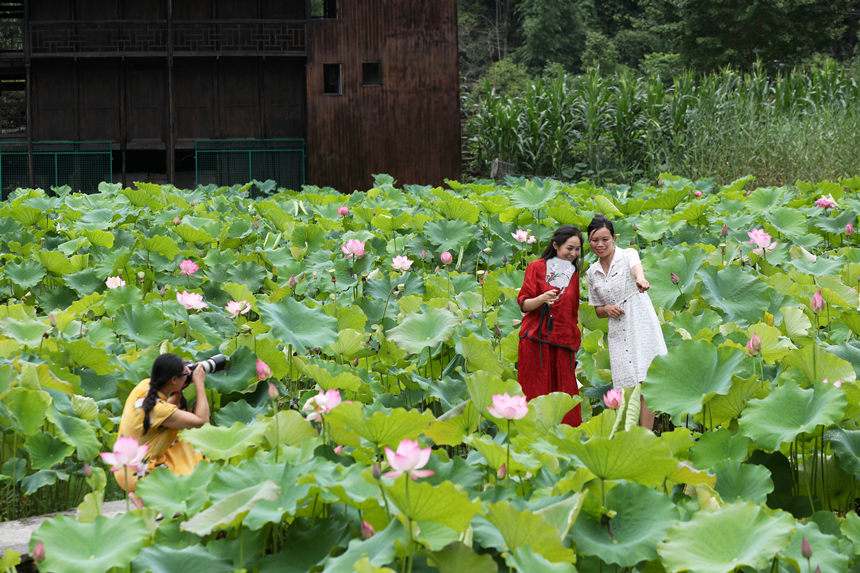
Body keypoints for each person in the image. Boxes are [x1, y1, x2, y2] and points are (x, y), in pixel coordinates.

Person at [585, 214, 667, 429]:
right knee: (627, 384)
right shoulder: (592, 273)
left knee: (645, 380)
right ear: (589, 242)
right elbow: (598, 311)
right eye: (595, 240)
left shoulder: (628, 254)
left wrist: (641, 280)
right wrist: (607, 309)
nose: (600, 244)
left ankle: (646, 433)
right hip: (617, 328)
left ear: (613, 238)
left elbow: (636, 269)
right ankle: (630, 433)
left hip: (639, 319)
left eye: (605, 239)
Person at [113, 353, 209, 498]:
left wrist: (179, 387)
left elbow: (161, 413)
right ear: (174, 379)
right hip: (142, 475)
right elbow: (202, 420)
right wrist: (199, 382)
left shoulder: (144, 386)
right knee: (191, 449)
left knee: (176, 439)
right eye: (184, 374)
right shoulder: (160, 410)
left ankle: (139, 498)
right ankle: (155, 497)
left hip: (123, 470)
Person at [516, 225, 583, 426]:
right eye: (569, 248)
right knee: (535, 396)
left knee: (565, 401)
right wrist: (542, 299)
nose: (573, 253)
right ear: (555, 245)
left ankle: (565, 447)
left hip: (563, 346)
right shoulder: (536, 267)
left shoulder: (574, 275)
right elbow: (524, 304)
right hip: (536, 342)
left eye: (577, 249)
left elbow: (572, 314)